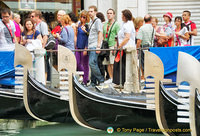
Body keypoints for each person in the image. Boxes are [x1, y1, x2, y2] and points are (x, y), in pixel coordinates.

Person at [113, 9, 135, 87]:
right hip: (123, 47)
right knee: (119, 65)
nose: (121, 17)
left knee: (122, 65)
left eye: (122, 16)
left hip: (125, 47)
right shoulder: (125, 24)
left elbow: (127, 37)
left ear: (125, 17)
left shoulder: (128, 25)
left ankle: (122, 82)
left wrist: (120, 45)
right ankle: (119, 81)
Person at [88, 5, 104, 86]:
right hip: (90, 45)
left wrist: (98, 46)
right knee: (93, 64)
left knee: (92, 63)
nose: (90, 13)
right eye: (89, 11)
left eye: (91, 11)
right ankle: (93, 82)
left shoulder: (97, 21)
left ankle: (101, 80)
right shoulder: (90, 22)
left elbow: (100, 32)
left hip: (95, 45)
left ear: (95, 12)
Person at [103, 8, 120, 83]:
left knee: (112, 62)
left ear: (114, 15)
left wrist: (116, 46)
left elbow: (118, 36)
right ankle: (110, 77)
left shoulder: (116, 24)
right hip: (106, 45)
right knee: (107, 62)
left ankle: (114, 79)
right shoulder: (105, 24)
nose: (109, 15)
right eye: (108, 13)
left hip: (112, 44)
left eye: (111, 13)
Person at [137, 15, 155, 80]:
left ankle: (144, 77)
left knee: (143, 63)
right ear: (150, 20)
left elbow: (139, 40)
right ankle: (149, 77)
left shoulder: (142, 28)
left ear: (144, 20)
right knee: (149, 63)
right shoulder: (152, 28)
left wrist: (137, 48)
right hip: (150, 47)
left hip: (143, 47)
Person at [75, 10, 90, 86]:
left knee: (85, 64)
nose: (82, 18)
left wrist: (86, 48)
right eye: (81, 17)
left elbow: (89, 37)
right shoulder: (79, 25)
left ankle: (85, 81)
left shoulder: (87, 26)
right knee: (77, 62)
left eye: (84, 17)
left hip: (84, 46)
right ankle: (85, 77)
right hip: (78, 46)